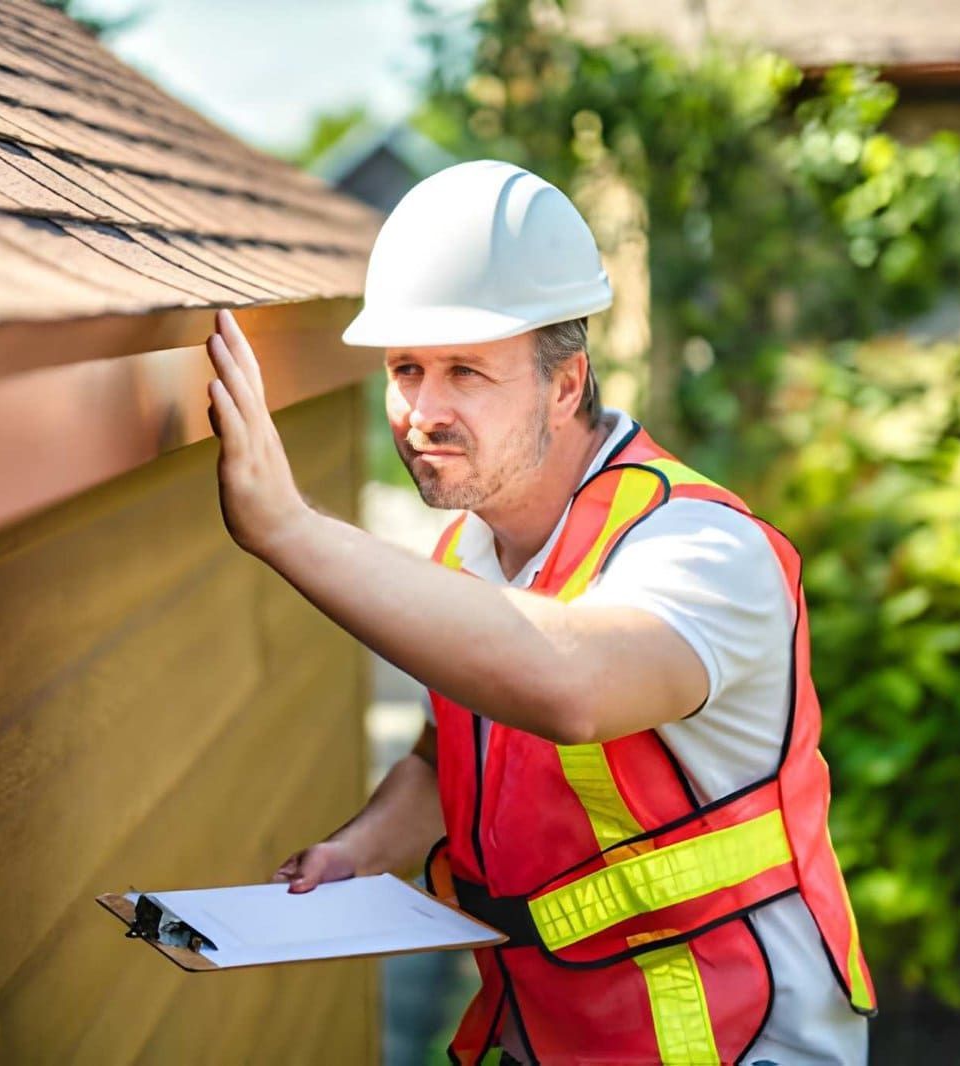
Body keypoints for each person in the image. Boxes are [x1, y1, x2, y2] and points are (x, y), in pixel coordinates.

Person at [202, 160, 874, 1065]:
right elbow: (460, 761)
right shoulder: (466, 556)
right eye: (407, 369)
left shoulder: (705, 551)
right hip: (549, 1034)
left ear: (566, 386)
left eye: (467, 372)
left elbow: (572, 687)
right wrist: (358, 853)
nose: (421, 412)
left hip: (734, 1038)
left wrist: (286, 527)